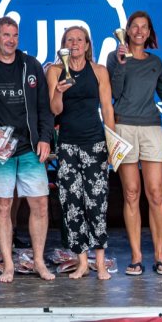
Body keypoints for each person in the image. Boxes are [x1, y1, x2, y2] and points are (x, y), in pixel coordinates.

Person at [0, 16, 55, 283]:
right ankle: (8, 265)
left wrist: (45, 138)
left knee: (40, 204)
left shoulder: (31, 65)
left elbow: (44, 107)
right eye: (6, 35)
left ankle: (38, 261)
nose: (11, 40)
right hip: (0, 149)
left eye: (15, 35)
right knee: (3, 207)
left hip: (30, 147)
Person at [106, 11, 162, 276]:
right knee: (131, 193)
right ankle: (136, 257)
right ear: (127, 30)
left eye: (144, 27)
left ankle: (160, 256)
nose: (139, 31)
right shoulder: (114, 57)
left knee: (155, 194)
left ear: (149, 32)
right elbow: (114, 93)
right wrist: (122, 63)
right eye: (134, 26)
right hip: (124, 127)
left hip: (151, 128)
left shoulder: (155, 62)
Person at [46, 26, 114, 280]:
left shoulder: (99, 71)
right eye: (69, 40)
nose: (74, 43)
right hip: (67, 146)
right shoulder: (55, 71)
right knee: (71, 204)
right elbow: (54, 110)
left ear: (87, 45)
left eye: (79, 39)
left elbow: (107, 108)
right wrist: (58, 91)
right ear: (63, 45)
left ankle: (101, 263)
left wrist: (112, 144)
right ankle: (82, 262)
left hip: (95, 143)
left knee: (97, 203)